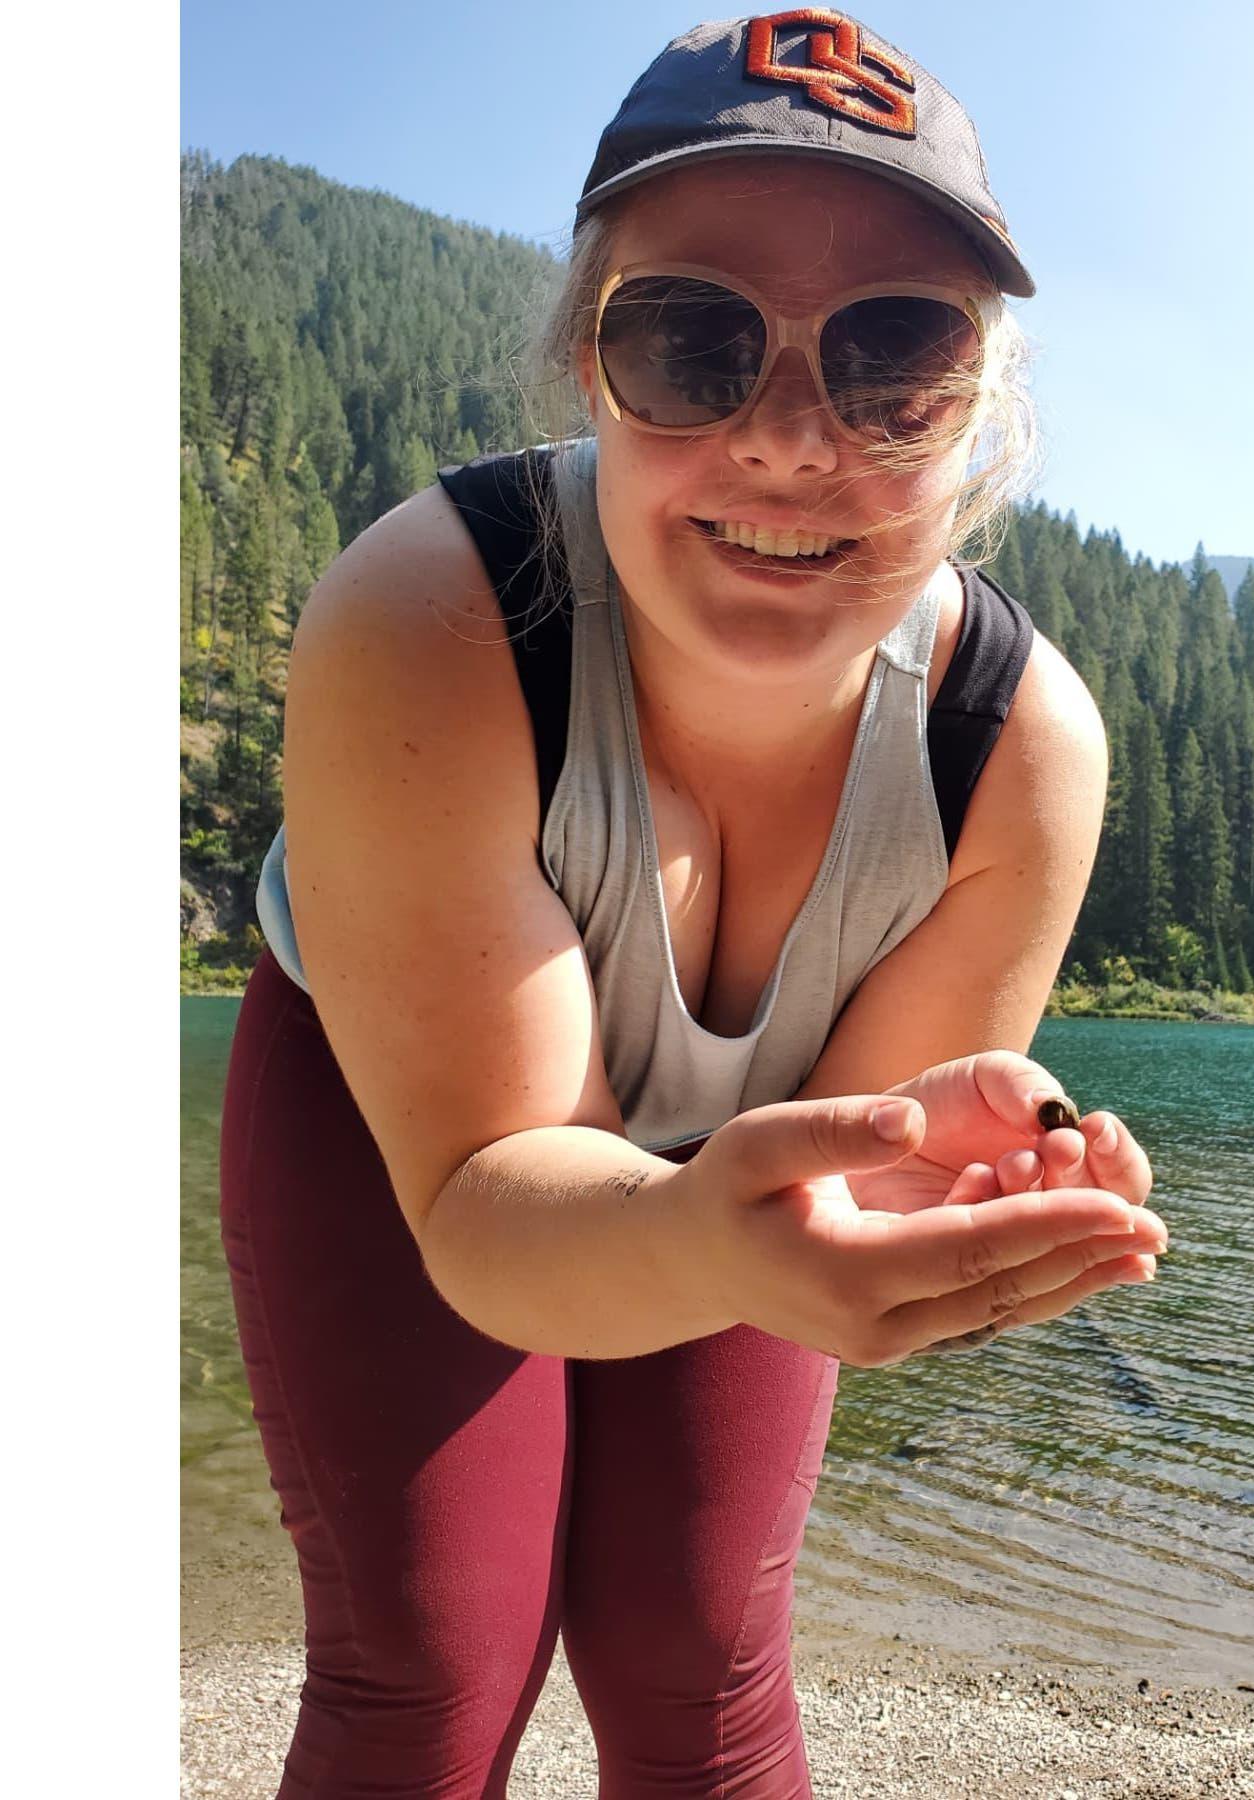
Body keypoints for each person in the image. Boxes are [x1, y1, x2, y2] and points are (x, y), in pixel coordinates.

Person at [219, 12, 1167, 1796]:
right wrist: (731, 1232)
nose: (797, 442)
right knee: (425, 1669)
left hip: (756, 1158)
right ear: (584, 364)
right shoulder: (427, 621)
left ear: (979, 412)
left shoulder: (1018, 746)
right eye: (689, 341)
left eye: (896, 357)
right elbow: (487, 1199)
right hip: (399, 1109)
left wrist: (923, 1191)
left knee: (702, 1659)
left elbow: (869, 1155)